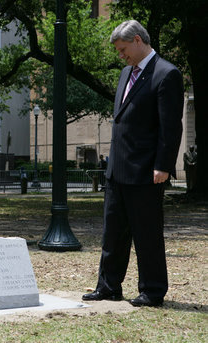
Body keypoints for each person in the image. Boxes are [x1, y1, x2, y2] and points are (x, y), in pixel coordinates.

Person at [82, 20, 183, 307]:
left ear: (138, 40)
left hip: (146, 171)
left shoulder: (167, 74)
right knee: (112, 232)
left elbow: (169, 127)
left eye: (123, 49)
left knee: (147, 233)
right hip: (117, 168)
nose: (120, 56)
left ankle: (152, 290)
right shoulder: (126, 73)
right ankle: (108, 286)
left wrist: (163, 165)